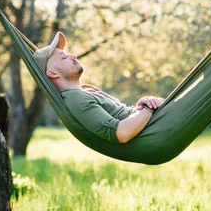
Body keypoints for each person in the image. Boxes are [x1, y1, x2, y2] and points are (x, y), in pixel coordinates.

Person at [33, 32, 164, 144]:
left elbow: (122, 116)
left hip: (154, 123)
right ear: (52, 73)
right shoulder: (76, 99)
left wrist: (140, 108)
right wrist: (149, 108)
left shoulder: (83, 93)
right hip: (157, 129)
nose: (73, 56)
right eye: (63, 57)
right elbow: (122, 133)